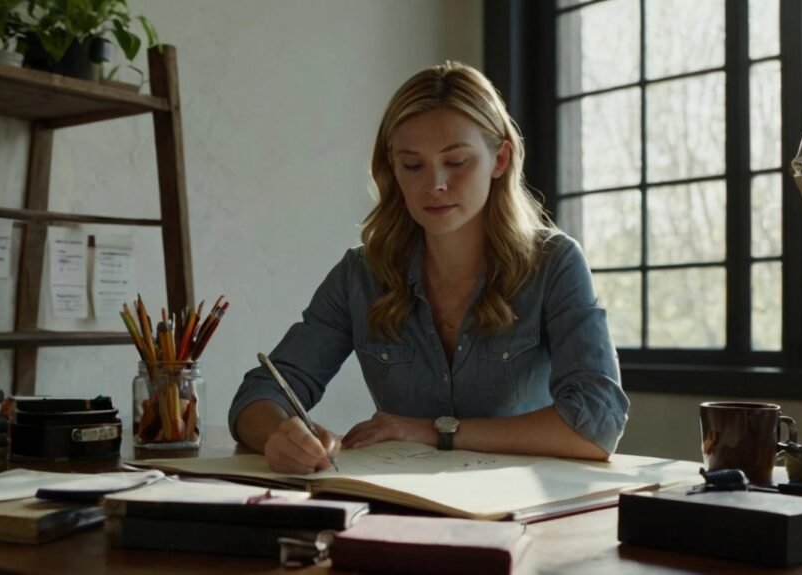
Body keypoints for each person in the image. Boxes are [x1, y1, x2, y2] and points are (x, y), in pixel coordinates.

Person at [229, 61, 628, 474]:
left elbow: (597, 422)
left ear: (500, 159)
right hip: (398, 510)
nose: (434, 184)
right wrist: (282, 435)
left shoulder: (554, 264)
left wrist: (437, 432)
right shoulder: (361, 275)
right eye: (413, 165)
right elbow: (259, 394)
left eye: (456, 162)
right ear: (392, 169)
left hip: (524, 511)